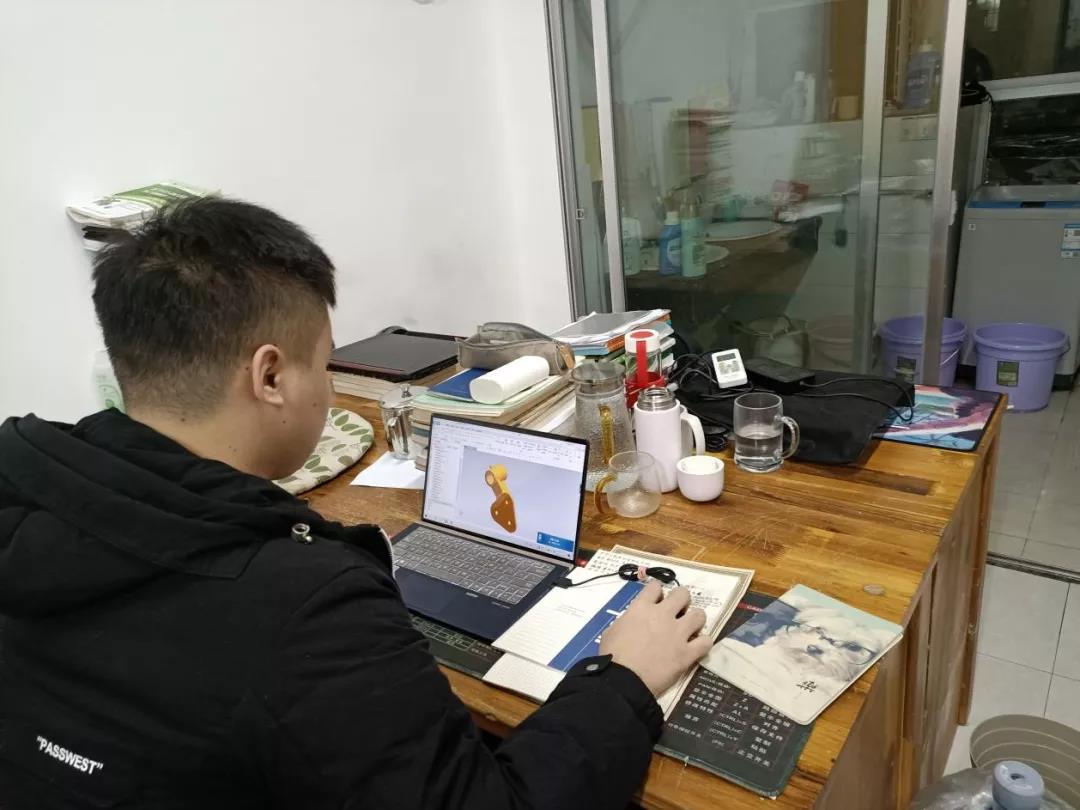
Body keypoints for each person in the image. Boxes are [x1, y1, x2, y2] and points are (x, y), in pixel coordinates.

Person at [0, 198, 712, 809]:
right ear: (270, 376)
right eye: (325, 363)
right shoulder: (305, 606)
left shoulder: (26, 493)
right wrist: (621, 679)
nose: (332, 389)